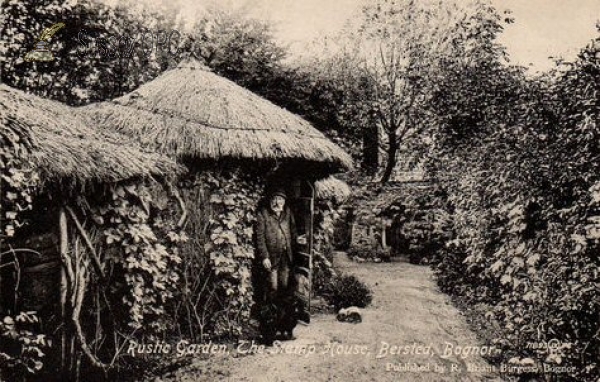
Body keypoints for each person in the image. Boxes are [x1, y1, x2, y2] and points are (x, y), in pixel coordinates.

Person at [254, 189, 307, 345]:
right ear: (271, 201)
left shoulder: (287, 213)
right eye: (275, 199)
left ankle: (283, 327)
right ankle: (269, 328)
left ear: (284, 202)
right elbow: (260, 238)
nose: (278, 203)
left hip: (286, 258)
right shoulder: (263, 214)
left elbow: (293, 231)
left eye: (281, 200)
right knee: (272, 289)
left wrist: (298, 242)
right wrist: (264, 257)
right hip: (272, 260)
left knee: (284, 289)